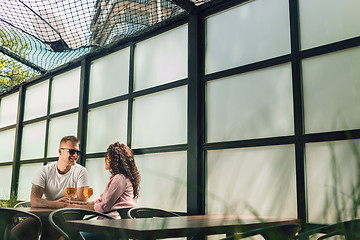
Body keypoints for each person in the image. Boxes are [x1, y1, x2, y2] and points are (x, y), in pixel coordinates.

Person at [11, 135, 89, 240]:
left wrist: (61, 206)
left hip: (68, 216)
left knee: (61, 235)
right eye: (71, 151)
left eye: (77, 152)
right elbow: (34, 201)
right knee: (16, 233)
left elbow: (83, 199)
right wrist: (57, 204)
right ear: (60, 151)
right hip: (44, 216)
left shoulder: (81, 171)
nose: (75, 155)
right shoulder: (44, 171)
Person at [66, 142, 140, 239]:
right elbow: (101, 203)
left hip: (112, 228)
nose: (105, 159)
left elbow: (103, 206)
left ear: (116, 161)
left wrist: (73, 206)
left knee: (72, 235)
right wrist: (76, 205)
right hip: (114, 226)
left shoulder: (120, 179)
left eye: (108, 157)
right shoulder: (123, 178)